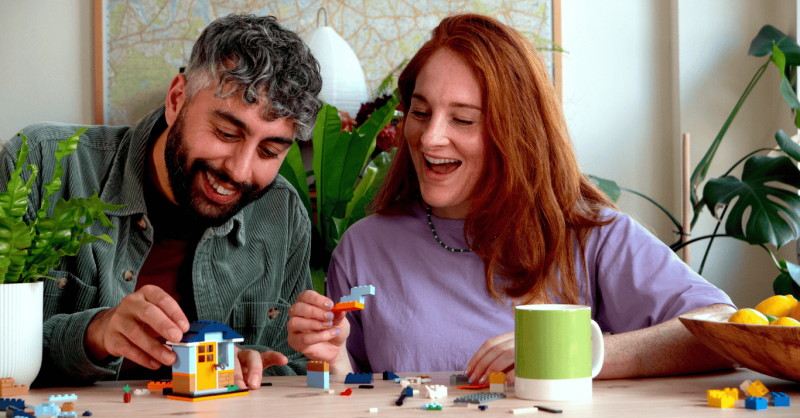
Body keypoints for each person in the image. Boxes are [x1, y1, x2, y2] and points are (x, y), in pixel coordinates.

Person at [286, 13, 736, 383]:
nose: (429, 137)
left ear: (517, 135)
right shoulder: (364, 248)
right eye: (420, 112)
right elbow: (349, 393)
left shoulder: (590, 235)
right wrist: (331, 357)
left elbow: (724, 330)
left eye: (463, 119)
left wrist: (569, 351)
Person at [0, 14, 322, 387]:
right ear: (176, 100)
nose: (239, 170)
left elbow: (295, 369)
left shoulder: (282, 214)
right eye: (226, 133)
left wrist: (259, 369)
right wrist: (95, 333)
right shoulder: (40, 165)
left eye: (269, 151)